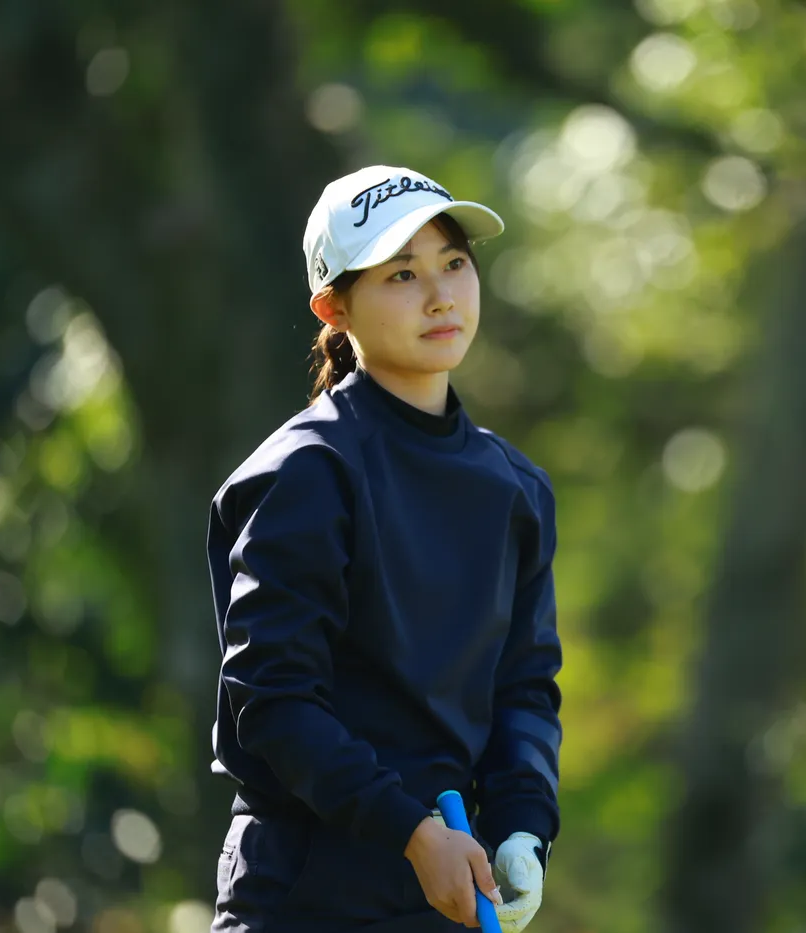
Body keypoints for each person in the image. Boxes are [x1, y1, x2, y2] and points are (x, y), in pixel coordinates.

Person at [205, 165, 562, 933]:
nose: (440, 296)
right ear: (334, 308)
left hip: (450, 885)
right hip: (306, 894)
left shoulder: (516, 488)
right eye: (402, 274)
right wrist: (410, 831)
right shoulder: (307, 472)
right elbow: (274, 699)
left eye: (453, 263)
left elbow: (525, 690)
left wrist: (523, 828)